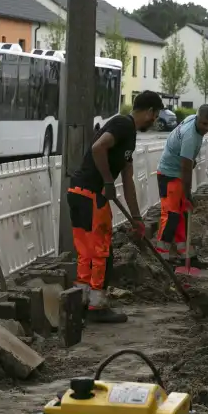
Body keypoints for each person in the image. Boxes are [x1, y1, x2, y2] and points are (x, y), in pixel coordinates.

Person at [68, 90, 164, 323]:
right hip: (91, 194)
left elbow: (128, 180)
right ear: (150, 112)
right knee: (101, 253)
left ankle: (81, 301)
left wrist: (137, 218)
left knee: (87, 253)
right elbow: (98, 148)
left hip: (79, 192)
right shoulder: (123, 124)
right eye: (156, 115)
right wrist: (108, 181)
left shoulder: (128, 135)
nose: (155, 121)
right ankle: (97, 307)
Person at [154, 104, 208, 268]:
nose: (206, 128)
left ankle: (185, 255)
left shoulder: (191, 121)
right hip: (169, 175)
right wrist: (187, 195)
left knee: (183, 214)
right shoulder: (191, 136)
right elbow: (186, 167)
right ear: (197, 118)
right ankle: (162, 258)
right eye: (204, 124)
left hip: (177, 173)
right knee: (171, 215)